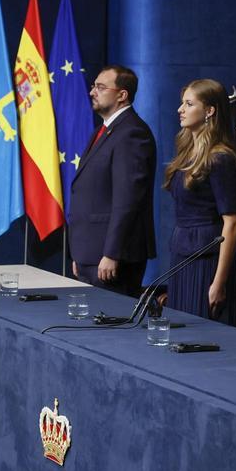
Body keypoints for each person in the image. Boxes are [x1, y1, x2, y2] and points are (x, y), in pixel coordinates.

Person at [67, 65, 157, 297]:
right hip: (91, 253)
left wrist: (111, 254)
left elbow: (127, 199)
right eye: (93, 86)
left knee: (110, 330)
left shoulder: (132, 133)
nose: (92, 92)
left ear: (122, 94)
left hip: (112, 258)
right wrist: (80, 253)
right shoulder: (104, 130)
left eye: (100, 87)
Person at [162, 79, 236, 320]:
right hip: (182, 256)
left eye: (188, 104)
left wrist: (219, 282)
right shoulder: (186, 153)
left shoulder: (221, 158)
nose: (180, 109)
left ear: (209, 111)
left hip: (207, 261)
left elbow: (233, 222)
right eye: (181, 103)